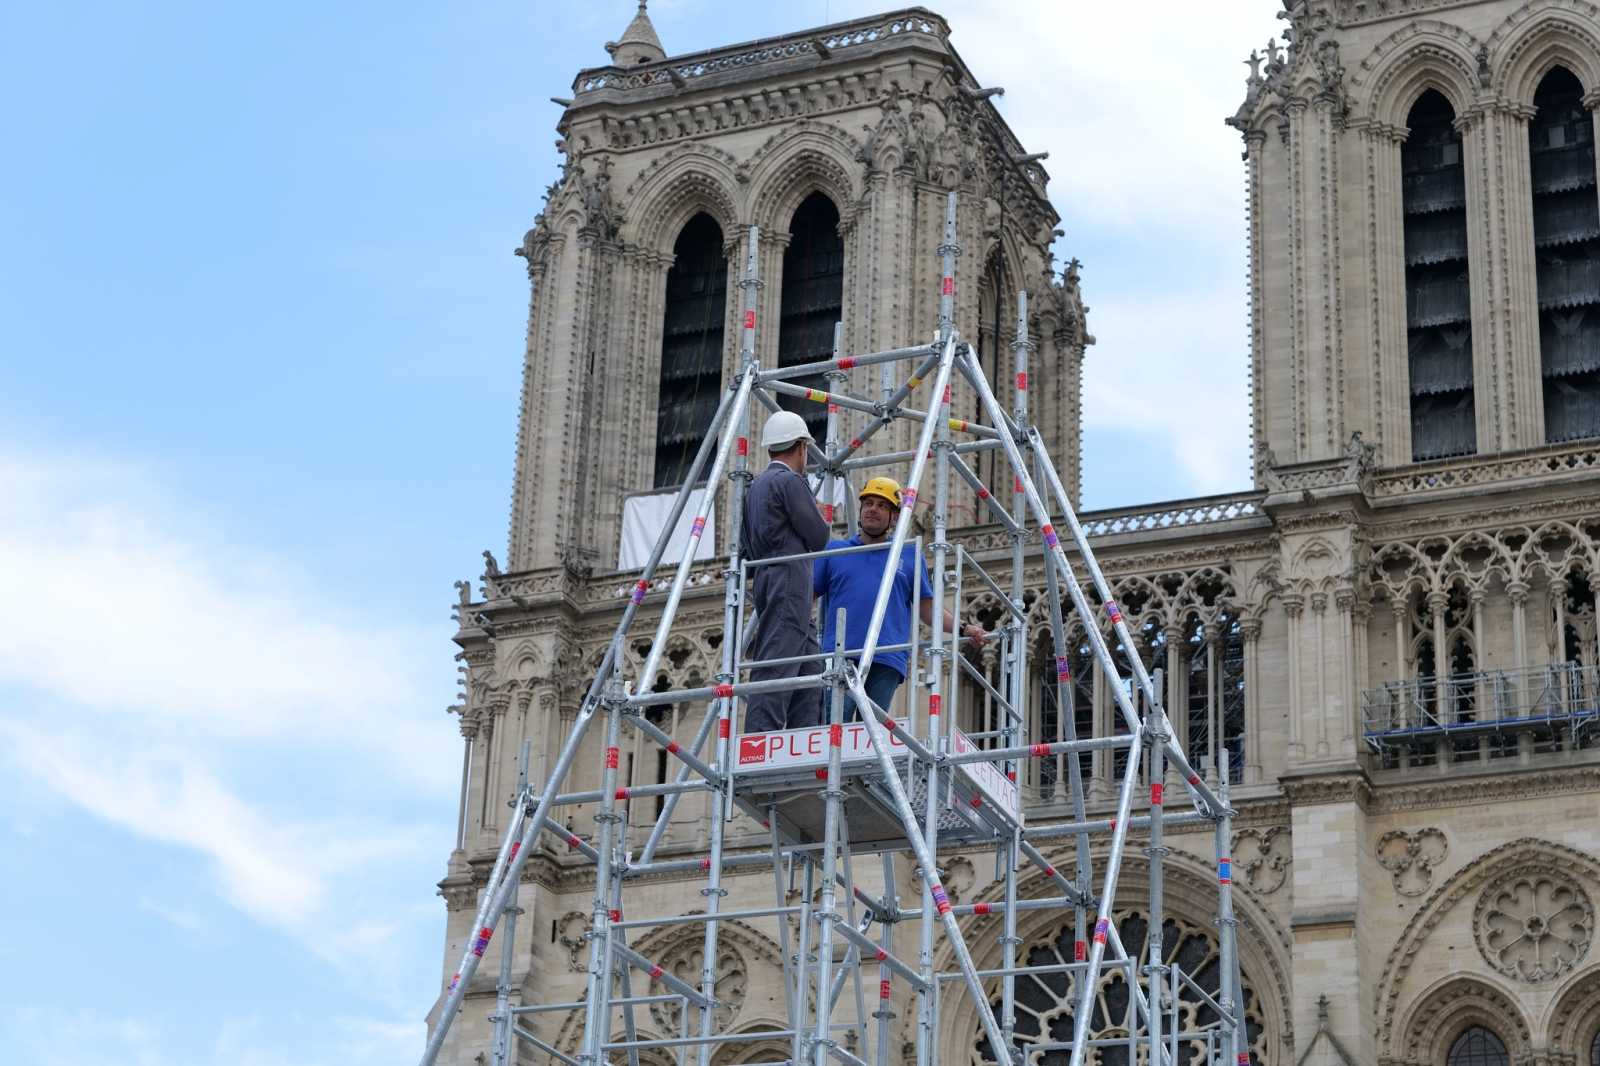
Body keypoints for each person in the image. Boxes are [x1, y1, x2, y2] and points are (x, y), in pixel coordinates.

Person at [812, 477, 986, 720]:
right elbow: (806, 597)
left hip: (887, 658)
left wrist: (964, 628)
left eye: (882, 506)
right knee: (835, 730)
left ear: (894, 517)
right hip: (840, 655)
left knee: (869, 737)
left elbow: (928, 610)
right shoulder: (836, 551)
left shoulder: (909, 554)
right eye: (869, 503)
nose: (873, 509)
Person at [741, 409, 832, 732]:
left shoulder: (755, 487)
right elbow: (819, 536)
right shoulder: (790, 481)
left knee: (809, 664)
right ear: (801, 448)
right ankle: (758, 740)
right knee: (778, 660)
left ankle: (804, 734)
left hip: (768, 576)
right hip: (790, 577)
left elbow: (744, 545)